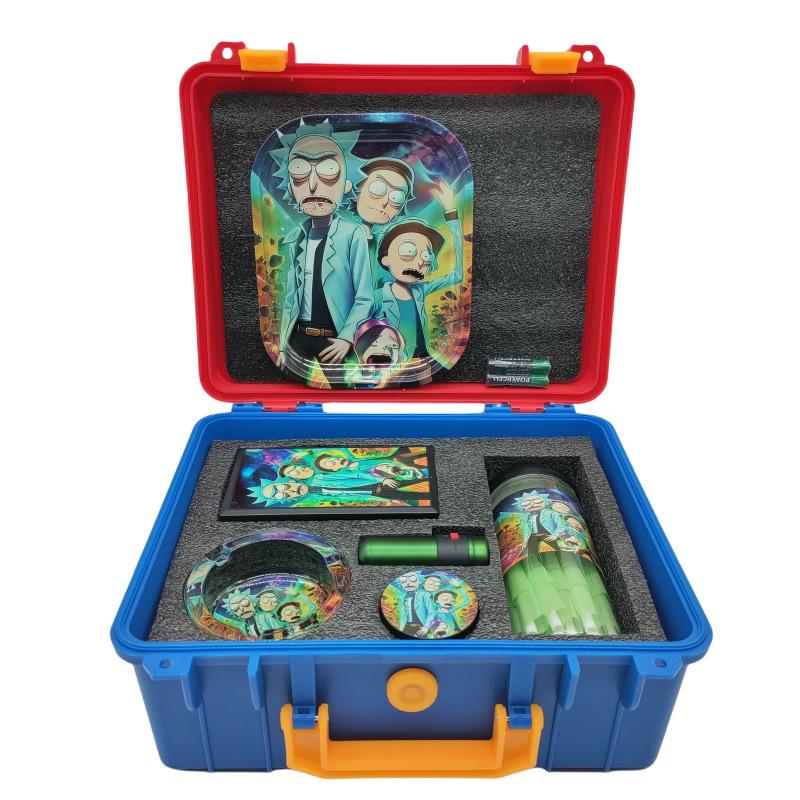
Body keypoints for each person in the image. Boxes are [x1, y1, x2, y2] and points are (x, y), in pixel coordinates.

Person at [271, 119, 374, 385]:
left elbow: (364, 297)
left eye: (329, 171)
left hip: (334, 340)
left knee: (345, 397)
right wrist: (282, 345)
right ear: (291, 188)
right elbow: (291, 298)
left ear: (346, 186)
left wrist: (346, 338)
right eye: (300, 173)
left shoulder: (352, 234)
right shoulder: (295, 237)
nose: (314, 186)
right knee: (291, 394)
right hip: (297, 337)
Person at [374, 180, 464, 368]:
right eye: (408, 251)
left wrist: (451, 214)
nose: (419, 262)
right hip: (395, 364)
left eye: (426, 256)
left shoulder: (420, 290)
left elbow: (457, 275)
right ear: (386, 259)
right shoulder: (377, 298)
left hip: (423, 359)